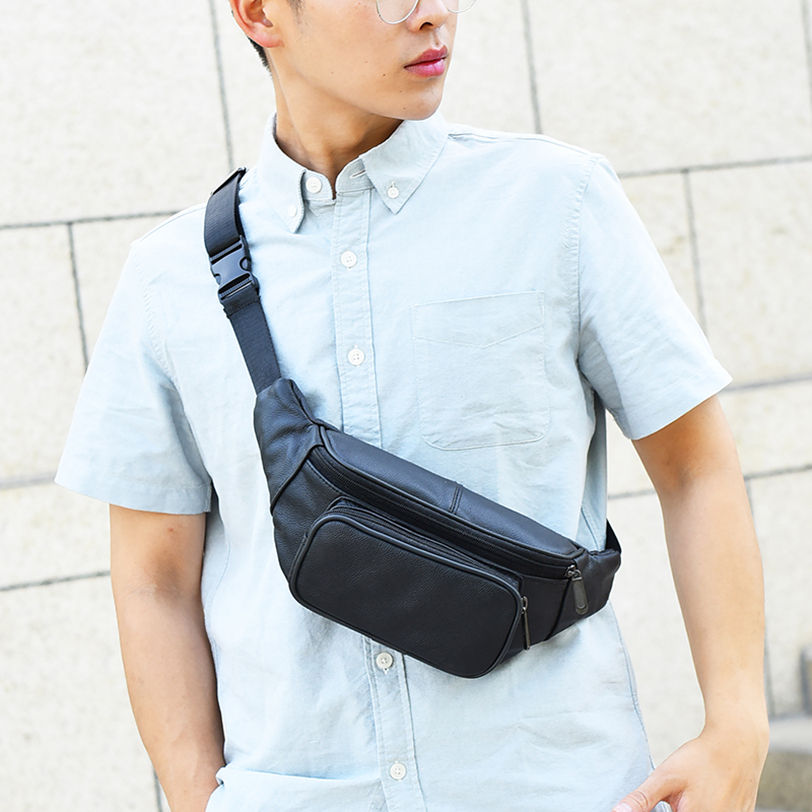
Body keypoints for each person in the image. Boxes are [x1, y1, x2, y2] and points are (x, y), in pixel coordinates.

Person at [56, 1, 769, 809]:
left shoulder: (557, 204)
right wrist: (198, 799)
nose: (432, 14)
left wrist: (737, 725)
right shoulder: (168, 280)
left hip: (551, 787)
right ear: (259, 13)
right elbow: (153, 579)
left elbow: (695, 468)